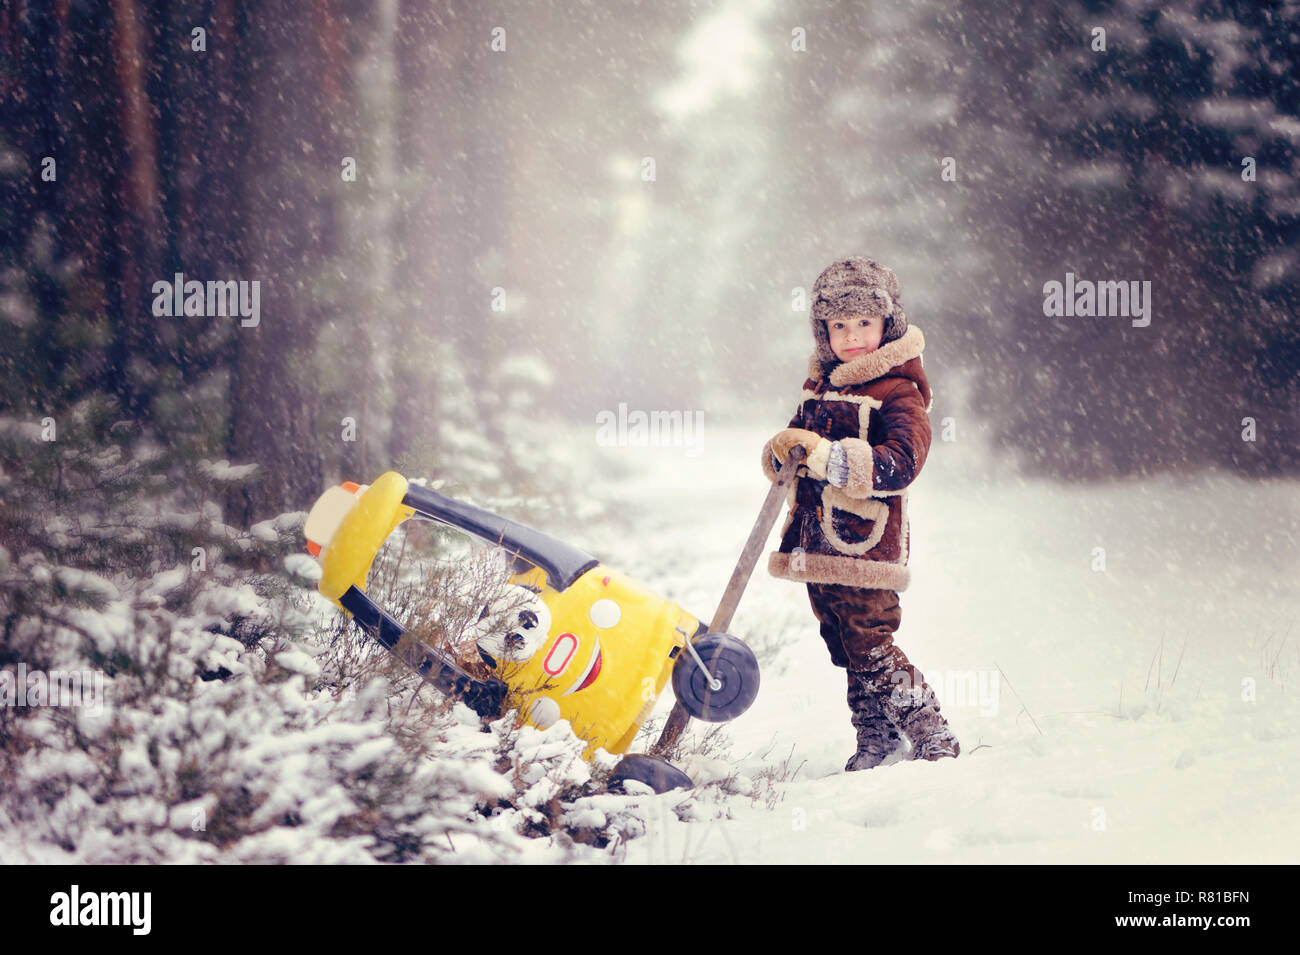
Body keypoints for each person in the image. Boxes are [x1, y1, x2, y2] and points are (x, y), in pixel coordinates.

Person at [761, 257, 960, 771]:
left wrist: (831, 458)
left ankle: (928, 728)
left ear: (886, 324)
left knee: (870, 639)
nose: (852, 336)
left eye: (864, 324)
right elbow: (798, 445)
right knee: (844, 644)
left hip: (865, 544)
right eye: (839, 326)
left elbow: (903, 462)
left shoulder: (898, 390)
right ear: (824, 332)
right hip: (816, 540)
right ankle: (875, 736)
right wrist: (782, 452)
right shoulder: (822, 387)